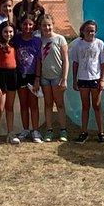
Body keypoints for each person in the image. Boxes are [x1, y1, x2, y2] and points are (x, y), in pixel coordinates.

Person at [69, 20, 104, 144]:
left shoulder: (100, 44)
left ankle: (101, 133)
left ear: (95, 31)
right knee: (85, 106)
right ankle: (84, 132)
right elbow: (75, 63)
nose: (90, 33)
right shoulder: (78, 45)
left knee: (97, 106)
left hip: (96, 79)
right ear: (83, 31)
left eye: (92, 31)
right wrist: (75, 79)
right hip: (83, 79)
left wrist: (102, 79)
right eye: (88, 31)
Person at [39, 14, 70, 142]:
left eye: (49, 25)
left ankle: (63, 130)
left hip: (57, 77)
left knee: (60, 104)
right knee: (48, 104)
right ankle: (49, 130)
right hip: (45, 78)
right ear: (40, 27)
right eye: (44, 25)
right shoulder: (39, 40)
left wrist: (64, 78)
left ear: (53, 24)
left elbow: (66, 60)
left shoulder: (60, 39)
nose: (47, 27)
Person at [0, 20, 20, 146]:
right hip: (0, 77)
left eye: (11, 31)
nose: (8, 34)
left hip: (12, 76)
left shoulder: (14, 46)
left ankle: (10, 133)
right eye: (5, 32)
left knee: (10, 107)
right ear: (1, 33)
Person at [13, 13, 44, 142]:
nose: (27, 27)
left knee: (33, 104)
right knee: (23, 104)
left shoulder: (37, 41)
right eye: (25, 24)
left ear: (34, 26)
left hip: (32, 76)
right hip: (20, 75)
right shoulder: (16, 39)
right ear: (21, 25)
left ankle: (35, 130)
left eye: (30, 24)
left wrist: (37, 78)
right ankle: (26, 129)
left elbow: (38, 60)